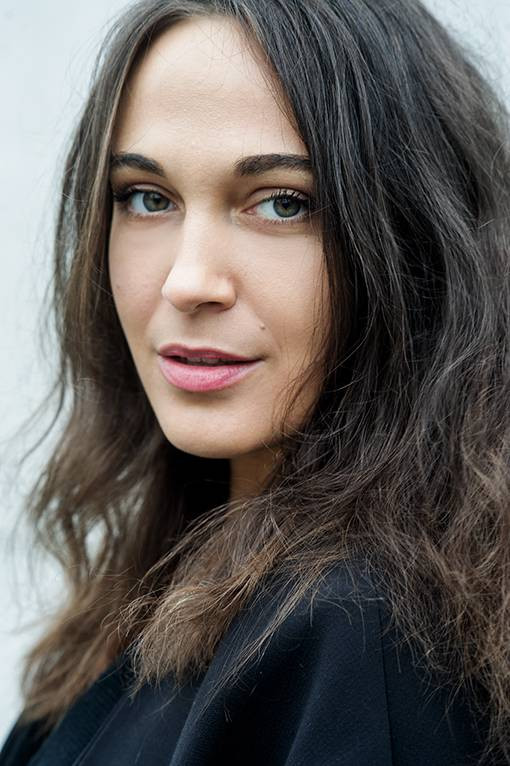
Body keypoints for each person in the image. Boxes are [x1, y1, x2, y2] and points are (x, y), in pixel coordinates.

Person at [1, 0, 510, 763]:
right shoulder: (172, 577)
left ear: (415, 240)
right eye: (147, 198)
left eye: (282, 203)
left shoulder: (358, 640)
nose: (188, 280)